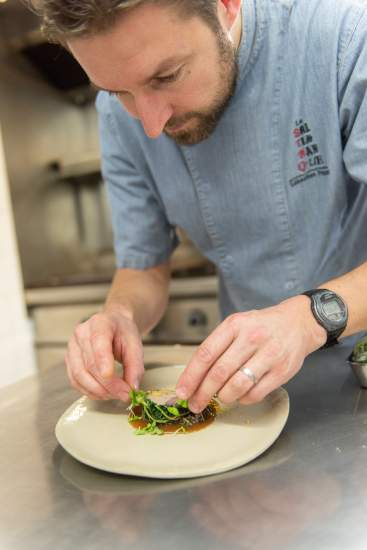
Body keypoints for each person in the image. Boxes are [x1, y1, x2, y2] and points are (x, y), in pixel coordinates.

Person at [31, 0, 367, 414]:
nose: (151, 124)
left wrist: (304, 321)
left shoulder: (346, 37)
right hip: (247, 389)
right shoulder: (119, 119)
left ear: (226, 5)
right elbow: (143, 268)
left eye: (166, 76)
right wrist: (120, 315)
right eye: (118, 91)